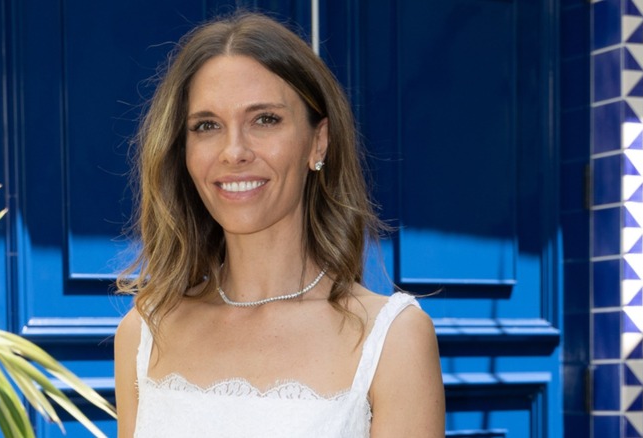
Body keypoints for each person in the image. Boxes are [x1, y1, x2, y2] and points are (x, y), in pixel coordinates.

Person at [114, 11, 445, 437]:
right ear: (184, 151)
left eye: (265, 119)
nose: (234, 151)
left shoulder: (393, 339)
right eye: (207, 126)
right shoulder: (143, 333)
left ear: (318, 142)